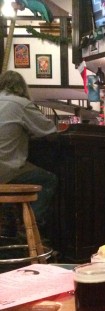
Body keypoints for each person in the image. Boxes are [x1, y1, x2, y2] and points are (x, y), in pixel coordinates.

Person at [0, 70, 58, 237]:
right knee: (49, 179)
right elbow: (50, 132)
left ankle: (8, 228)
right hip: (5, 171)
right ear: (21, 87)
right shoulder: (20, 103)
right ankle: (30, 229)